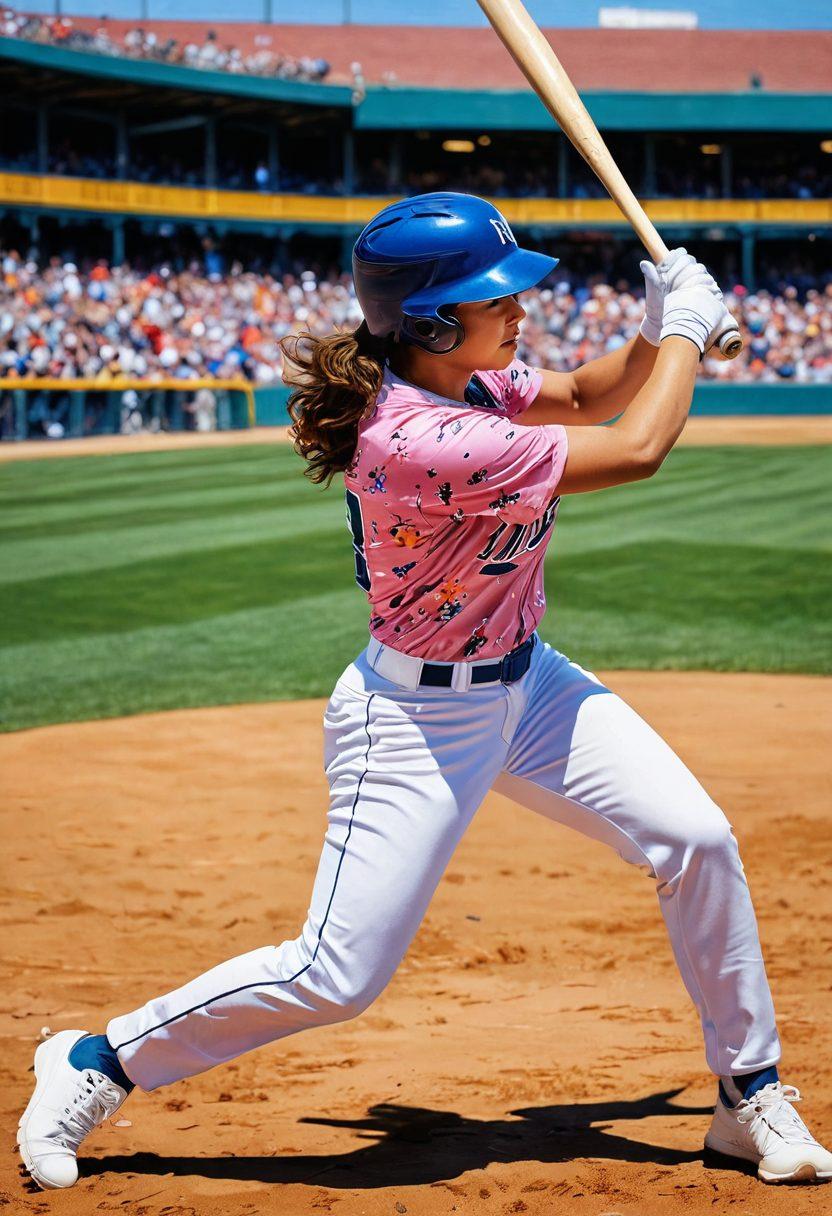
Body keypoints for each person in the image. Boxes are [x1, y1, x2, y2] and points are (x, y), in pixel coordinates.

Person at [18, 194, 831, 1191]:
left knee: (696, 838)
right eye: (495, 298)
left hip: (529, 687)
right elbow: (634, 447)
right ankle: (97, 1060)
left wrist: (658, 318)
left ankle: (746, 1093)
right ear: (433, 322)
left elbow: (580, 393)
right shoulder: (421, 435)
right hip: (413, 720)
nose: (519, 306)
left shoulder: (473, 383)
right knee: (335, 973)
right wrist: (683, 334)